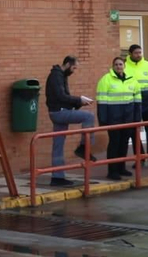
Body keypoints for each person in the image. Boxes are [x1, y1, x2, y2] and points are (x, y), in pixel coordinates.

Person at [45, 55, 97, 187]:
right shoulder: (57, 76)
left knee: (58, 146)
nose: (74, 71)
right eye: (74, 68)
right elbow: (61, 96)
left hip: (57, 111)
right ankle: (83, 147)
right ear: (68, 64)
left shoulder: (60, 75)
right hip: (59, 112)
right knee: (89, 117)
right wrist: (79, 100)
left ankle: (57, 177)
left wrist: (79, 103)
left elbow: (64, 97)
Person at [95, 56, 139, 180]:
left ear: (124, 66)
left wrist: (136, 118)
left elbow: (137, 101)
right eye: (116, 64)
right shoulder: (106, 80)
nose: (118, 66)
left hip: (128, 118)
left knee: (124, 143)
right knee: (114, 143)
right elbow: (101, 102)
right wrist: (103, 120)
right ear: (113, 66)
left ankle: (121, 168)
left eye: (120, 64)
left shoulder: (132, 80)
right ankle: (112, 171)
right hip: (113, 119)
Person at [124, 44, 148, 169]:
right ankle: (140, 158)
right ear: (130, 54)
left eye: (140, 52)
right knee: (133, 131)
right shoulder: (124, 66)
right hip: (132, 103)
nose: (138, 55)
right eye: (136, 53)